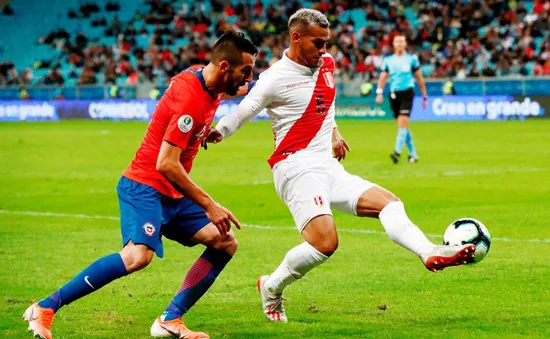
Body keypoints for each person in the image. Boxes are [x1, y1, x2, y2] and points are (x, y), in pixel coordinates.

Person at [204, 9, 475, 323]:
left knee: (389, 203)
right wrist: (219, 131)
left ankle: (428, 251)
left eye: (326, 42)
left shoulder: (326, 64)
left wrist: (333, 132)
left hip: (327, 166)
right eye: (317, 43)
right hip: (295, 167)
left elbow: (325, 102)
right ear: (295, 38)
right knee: (325, 243)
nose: (323, 50)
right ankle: (271, 286)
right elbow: (245, 110)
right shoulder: (275, 78)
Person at [22, 31, 257, 339]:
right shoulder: (191, 97)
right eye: (245, 71)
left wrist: (202, 133)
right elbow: (166, 163)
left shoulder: (206, 80)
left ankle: (169, 320)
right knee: (137, 256)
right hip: (145, 185)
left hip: (173, 192)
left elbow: (224, 95)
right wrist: (209, 204)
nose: (248, 79)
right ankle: (45, 307)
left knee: (224, 242)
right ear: (225, 67)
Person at [375, 33, 428, 164]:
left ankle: (397, 153)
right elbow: (383, 77)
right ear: (393, 44)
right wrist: (379, 92)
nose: (399, 44)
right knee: (403, 126)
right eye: (397, 42)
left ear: (405, 44)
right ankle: (413, 155)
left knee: (403, 123)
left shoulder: (412, 59)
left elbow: (419, 78)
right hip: (394, 95)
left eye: (402, 41)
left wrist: (424, 95)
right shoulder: (388, 60)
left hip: (407, 93)